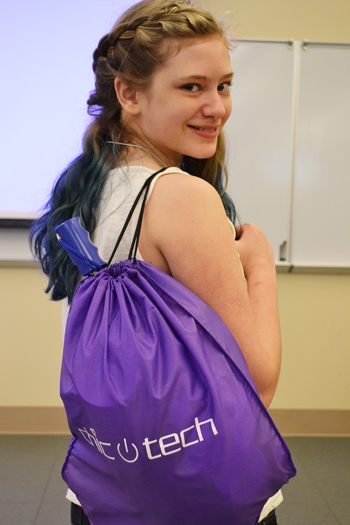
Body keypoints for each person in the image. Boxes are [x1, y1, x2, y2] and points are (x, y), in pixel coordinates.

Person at [31, 1, 283, 523]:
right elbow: (257, 384)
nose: (217, 106)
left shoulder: (86, 188)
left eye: (224, 85)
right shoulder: (181, 197)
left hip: (105, 490)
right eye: (192, 87)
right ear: (129, 94)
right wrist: (259, 267)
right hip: (196, 493)